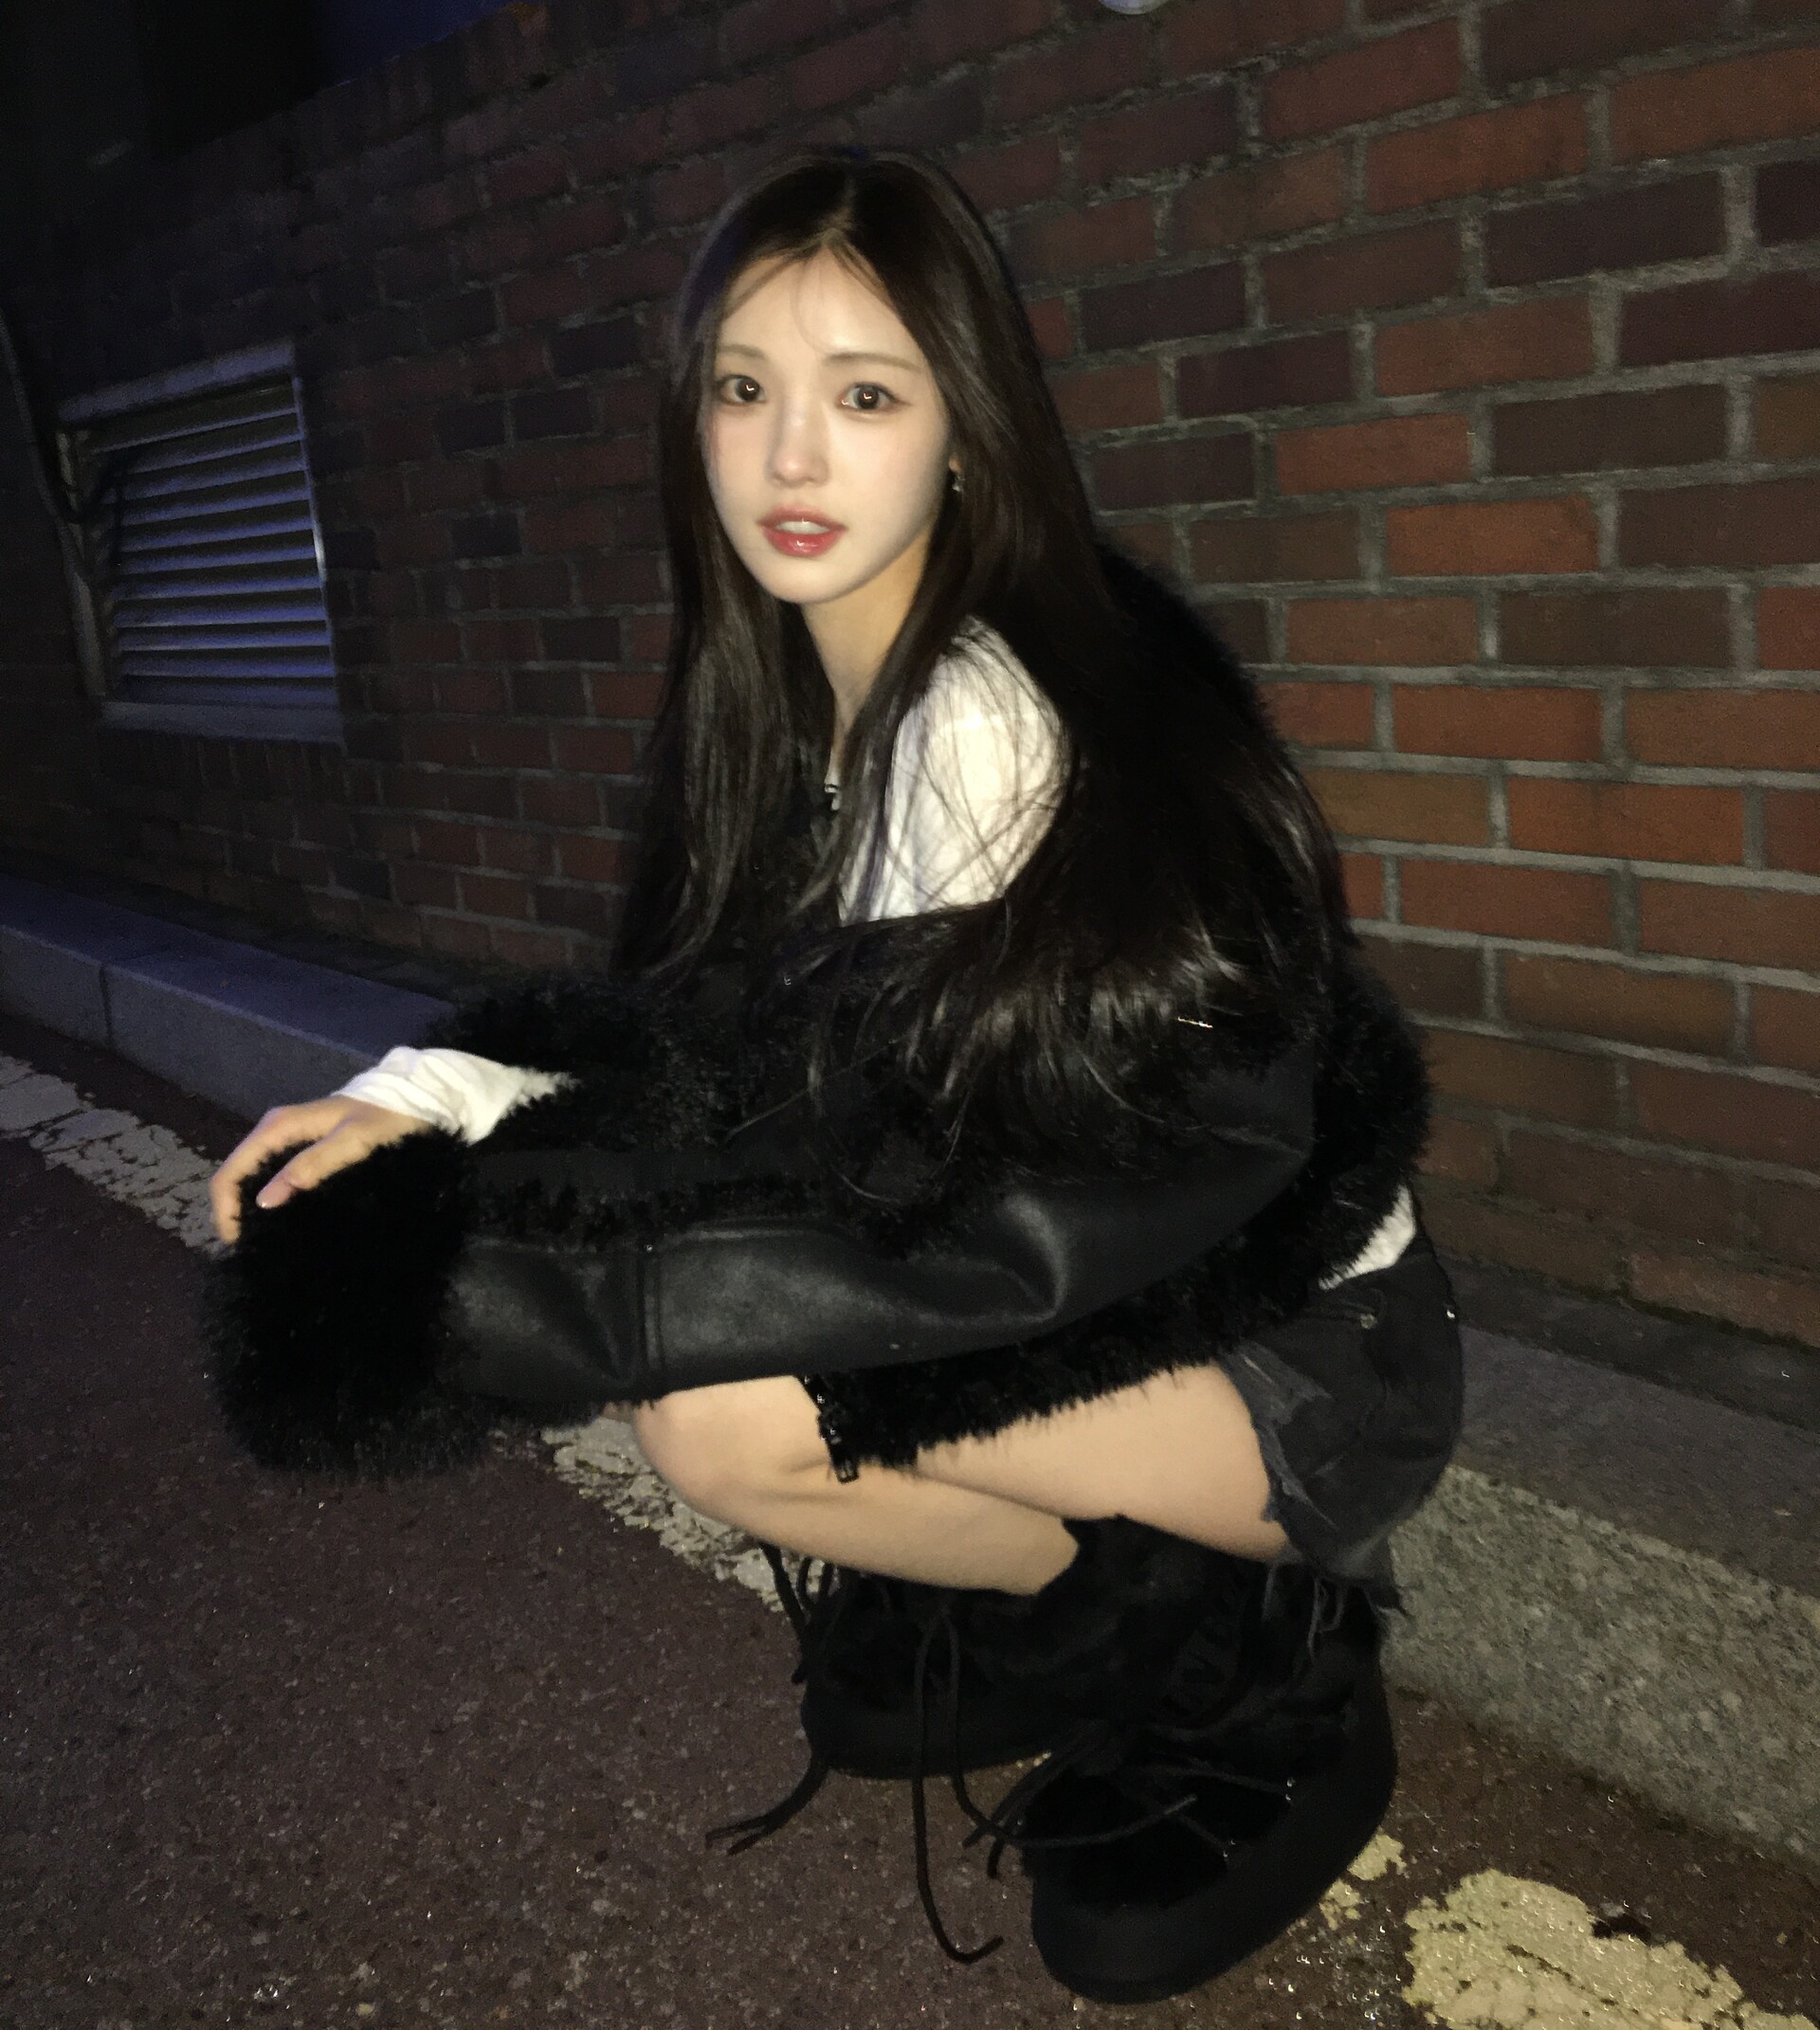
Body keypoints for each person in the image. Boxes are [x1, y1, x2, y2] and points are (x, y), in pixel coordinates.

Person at [206, 146, 1463, 2004]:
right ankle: (1098, 1592)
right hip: (1093, 1301)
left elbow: (974, 1213)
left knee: (726, 1416)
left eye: (864, 395)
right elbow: (718, 1048)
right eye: (744, 387)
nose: (791, 455)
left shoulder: (985, 723)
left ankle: (1250, 1651)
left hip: (1301, 1359)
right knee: (737, 1392)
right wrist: (428, 1093)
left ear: (967, 432)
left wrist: (501, 1279)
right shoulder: (798, 704)